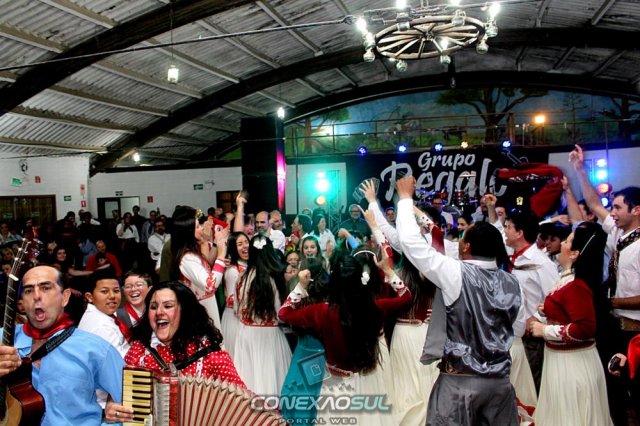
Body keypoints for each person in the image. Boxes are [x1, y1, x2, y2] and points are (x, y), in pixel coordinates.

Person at [395, 175, 522, 425]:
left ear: (466, 247)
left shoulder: (456, 273)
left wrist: (405, 199)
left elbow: (412, 245)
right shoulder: (512, 282)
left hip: (460, 384)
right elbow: (516, 328)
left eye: (462, 238)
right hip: (500, 384)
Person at [278, 248, 410, 426]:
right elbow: (406, 297)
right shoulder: (373, 306)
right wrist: (387, 270)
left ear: (333, 281)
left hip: (337, 386)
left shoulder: (322, 312)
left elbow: (283, 314)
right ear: (359, 280)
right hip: (368, 381)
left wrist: (300, 286)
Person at [0, 265, 131, 424]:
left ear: (65, 297)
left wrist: (113, 415)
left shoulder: (95, 348)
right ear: (21, 301)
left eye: (46, 288)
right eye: (28, 290)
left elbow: (129, 401)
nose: (36, 296)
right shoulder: (4, 340)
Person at [570, 144, 640, 424]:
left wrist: (609, 301)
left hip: (636, 330)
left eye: (618, 207)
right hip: (616, 326)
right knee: (615, 391)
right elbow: (594, 205)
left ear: (636, 210)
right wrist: (580, 171)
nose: (612, 212)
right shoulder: (619, 235)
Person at [528, 222, 613, 425]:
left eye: (567, 241)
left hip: (572, 365)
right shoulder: (567, 280)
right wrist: (548, 311)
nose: (562, 244)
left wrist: (545, 330)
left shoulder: (576, 286)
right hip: (561, 361)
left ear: (574, 254)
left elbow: (584, 328)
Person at [124, 281, 246, 386]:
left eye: (168, 306)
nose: (159, 312)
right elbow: (121, 394)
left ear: (185, 312)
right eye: (153, 307)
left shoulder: (209, 354)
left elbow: (241, 398)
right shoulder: (138, 351)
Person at [233, 234, 291, 396]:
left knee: (248, 376)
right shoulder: (276, 278)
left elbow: (236, 310)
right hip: (270, 335)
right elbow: (281, 314)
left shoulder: (242, 278)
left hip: (246, 333)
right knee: (269, 375)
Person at [169, 205, 228, 328]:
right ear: (188, 232)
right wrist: (221, 255)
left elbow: (207, 267)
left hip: (206, 305)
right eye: (197, 226)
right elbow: (210, 285)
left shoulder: (192, 252)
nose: (201, 228)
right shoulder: (187, 258)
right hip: (200, 310)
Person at [220, 231, 249, 359]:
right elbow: (231, 300)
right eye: (240, 244)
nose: (245, 246)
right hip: (234, 319)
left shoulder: (248, 265)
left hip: (245, 317)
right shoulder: (233, 270)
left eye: (246, 242)